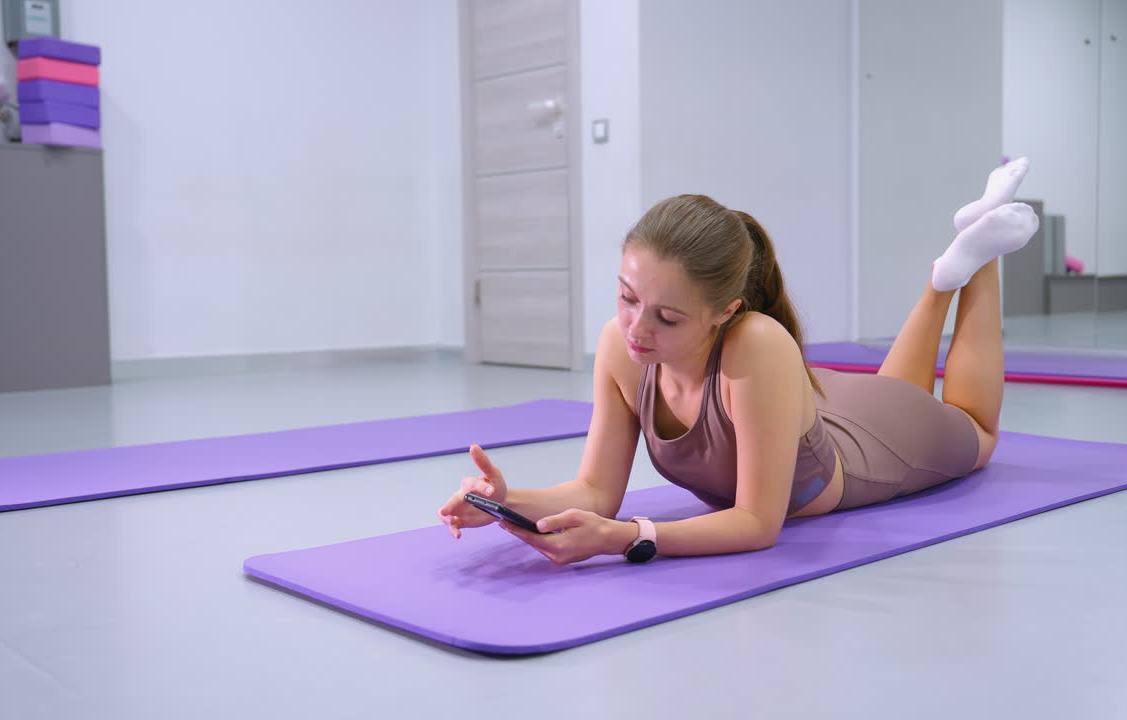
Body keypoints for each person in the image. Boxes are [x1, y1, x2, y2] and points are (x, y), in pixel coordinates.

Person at [438, 158, 1037, 566]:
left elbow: (756, 522)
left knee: (976, 430)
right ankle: (945, 274)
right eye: (626, 297)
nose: (635, 329)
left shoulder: (757, 343)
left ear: (726, 310)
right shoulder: (623, 350)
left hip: (873, 453)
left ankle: (979, 256)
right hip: (830, 409)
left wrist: (629, 540)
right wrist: (508, 501)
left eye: (666, 318)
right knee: (899, 394)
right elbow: (596, 489)